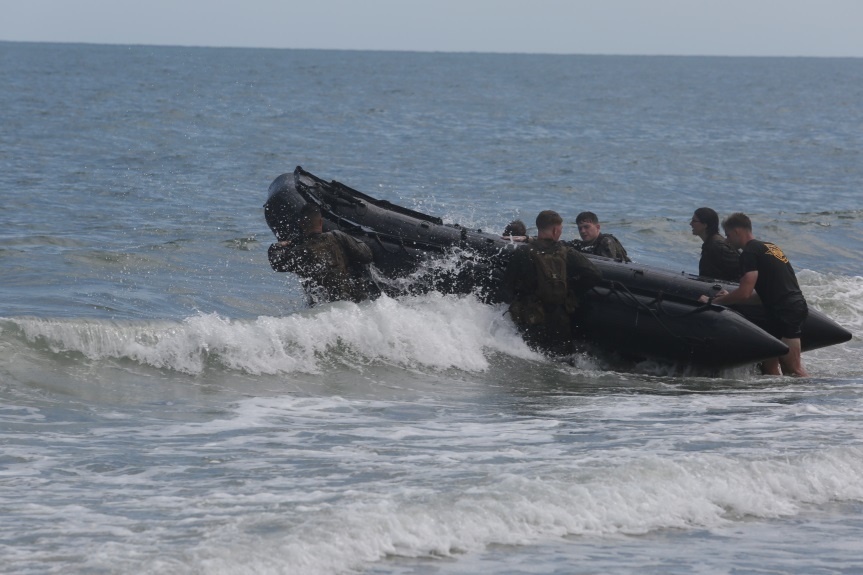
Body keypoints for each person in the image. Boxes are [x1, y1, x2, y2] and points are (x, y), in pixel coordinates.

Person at [698, 212, 809, 377]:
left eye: (728, 235)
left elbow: (744, 293)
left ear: (737, 232)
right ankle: (775, 401)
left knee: (794, 369)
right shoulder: (770, 247)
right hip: (784, 308)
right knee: (769, 368)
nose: (727, 240)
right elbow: (764, 293)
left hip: (787, 312)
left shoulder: (749, 253)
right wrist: (730, 296)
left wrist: (716, 300)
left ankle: (817, 399)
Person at [503, 210, 602, 355]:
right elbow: (595, 274)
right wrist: (571, 290)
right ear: (556, 230)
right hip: (559, 322)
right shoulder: (566, 252)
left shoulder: (523, 253)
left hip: (532, 321)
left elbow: (507, 287)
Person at [268, 203, 377, 306]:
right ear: (321, 222)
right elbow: (367, 255)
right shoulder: (338, 237)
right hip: (352, 302)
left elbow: (277, 264)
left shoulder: (299, 252)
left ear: (301, 224)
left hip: (323, 308)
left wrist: (277, 246)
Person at [690, 207, 739, 281]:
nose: (690, 224)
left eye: (694, 221)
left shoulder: (716, 246)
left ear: (705, 224)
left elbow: (740, 270)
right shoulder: (712, 243)